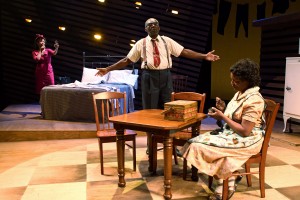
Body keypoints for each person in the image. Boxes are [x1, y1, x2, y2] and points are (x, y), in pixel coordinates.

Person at [181, 58, 265, 200]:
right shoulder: (240, 93)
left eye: (237, 81)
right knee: (195, 141)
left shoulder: (254, 99)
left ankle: (229, 179)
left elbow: (245, 130)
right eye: (232, 80)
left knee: (201, 146)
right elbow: (236, 118)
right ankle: (230, 178)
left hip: (249, 139)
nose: (233, 84)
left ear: (249, 81)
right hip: (235, 134)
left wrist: (223, 117)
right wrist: (223, 110)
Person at [96, 18, 220, 109]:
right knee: (150, 107)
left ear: (159, 28)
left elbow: (184, 51)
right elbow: (127, 60)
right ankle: (151, 141)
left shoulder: (167, 41)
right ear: (145, 29)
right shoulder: (141, 43)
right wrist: (107, 69)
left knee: (169, 105)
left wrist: (204, 56)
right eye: (149, 25)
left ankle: (168, 139)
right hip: (149, 76)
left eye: (155, 24)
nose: (153, 26)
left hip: (166, 75)